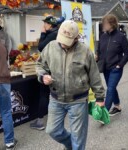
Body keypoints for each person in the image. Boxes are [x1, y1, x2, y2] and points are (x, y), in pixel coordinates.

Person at [36, 20, 105, 150]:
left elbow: (94, 76)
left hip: (78, 101)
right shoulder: (51, 46)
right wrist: (43, 76)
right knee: (52, 130)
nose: (62, 44)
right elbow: (40, 65)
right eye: (61, 39)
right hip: (56, 99)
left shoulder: (85, 51)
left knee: (78, 138)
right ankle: (70, 145)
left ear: (76, 38)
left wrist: (100, 98)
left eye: (66, 41)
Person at [96, 14, 128, 116]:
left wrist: (120, 65)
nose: (103, 25)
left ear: (112, 24)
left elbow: (127, 53)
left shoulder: (121, 37)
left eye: (105, 23)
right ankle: (117, 106)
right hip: (105, 68)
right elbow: (99, 50)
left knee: (110, 88)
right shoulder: (103, 36)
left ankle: (104, 112)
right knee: (112, 87)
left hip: (116, 69)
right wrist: (97, 56)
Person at [30, 16, 59, 130]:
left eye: (45, 24)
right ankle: (56, 118)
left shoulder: (52, 35)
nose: (44, 26)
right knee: (53, 94)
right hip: (56, 67)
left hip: (48, 68)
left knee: (44, 94)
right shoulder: (57, 33)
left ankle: (40, 122)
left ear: (50, 25)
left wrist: (42, 34)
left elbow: (41, 47)